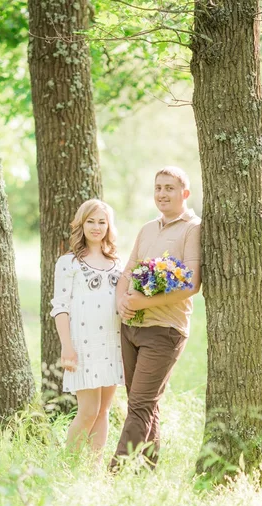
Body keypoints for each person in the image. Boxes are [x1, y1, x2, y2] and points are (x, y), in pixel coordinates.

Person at [110, 166, 201, 471]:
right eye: (158, 187)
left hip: (165, 330)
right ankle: (148, 470)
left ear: (184, 194)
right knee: (146, 404)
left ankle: (114, 474)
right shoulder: (148, 228)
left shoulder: (193, 228)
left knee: (138, 405)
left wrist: (145, 301)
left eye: (170, 188)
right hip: (131, 326)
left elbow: (191, 284)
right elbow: (127, 270)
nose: (162, 194)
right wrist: (123, 302)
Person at [51, 199, 123, 461]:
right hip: (84, 344)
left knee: (103, 411)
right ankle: (68, 465)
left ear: (108, 226)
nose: (96, 227)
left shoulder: (117, 262)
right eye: (91, 221)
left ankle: (93, 468)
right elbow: (60, 307)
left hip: (112, 342)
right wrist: (67, 346)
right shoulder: (68, 263)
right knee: (88, 411)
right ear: (81, 224)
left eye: (102, 222)